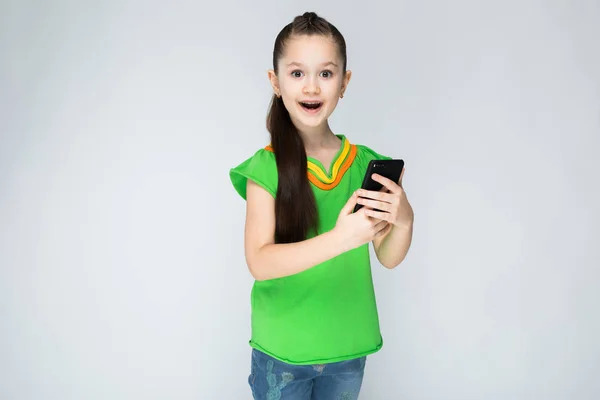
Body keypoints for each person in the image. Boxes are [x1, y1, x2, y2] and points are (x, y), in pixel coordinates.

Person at [229, 11, 414, 400]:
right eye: (297, 73)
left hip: (348, 348)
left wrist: (405, 220)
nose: (312, 87)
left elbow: (389, 257)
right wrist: (342, 237)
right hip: (283, 354)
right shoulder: (266, 166)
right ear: (275, 82)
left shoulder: (365, 163)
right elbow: (259, 262)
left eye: (326, 74)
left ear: (344, 83)